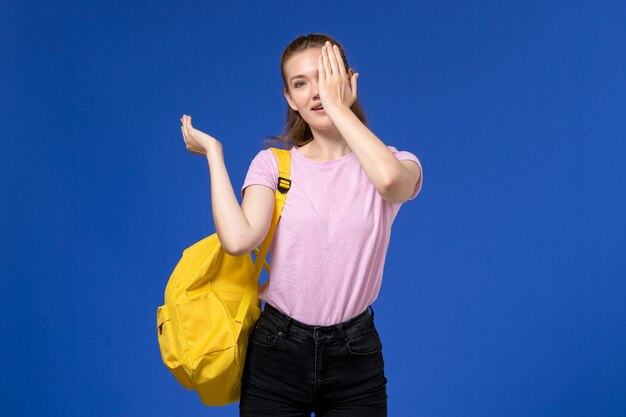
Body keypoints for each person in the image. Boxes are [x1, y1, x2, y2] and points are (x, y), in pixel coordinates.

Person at [180, 33, 422, 417]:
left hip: (355, 354)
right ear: (290, 99)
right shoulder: (274, 165)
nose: (315, 92)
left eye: (325, 76)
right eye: (300, 83)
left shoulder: (393, 162)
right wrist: (214, 154)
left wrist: (339, 108)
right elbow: (239, 239)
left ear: (348, 80)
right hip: (277, 348)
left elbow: (392, 185)